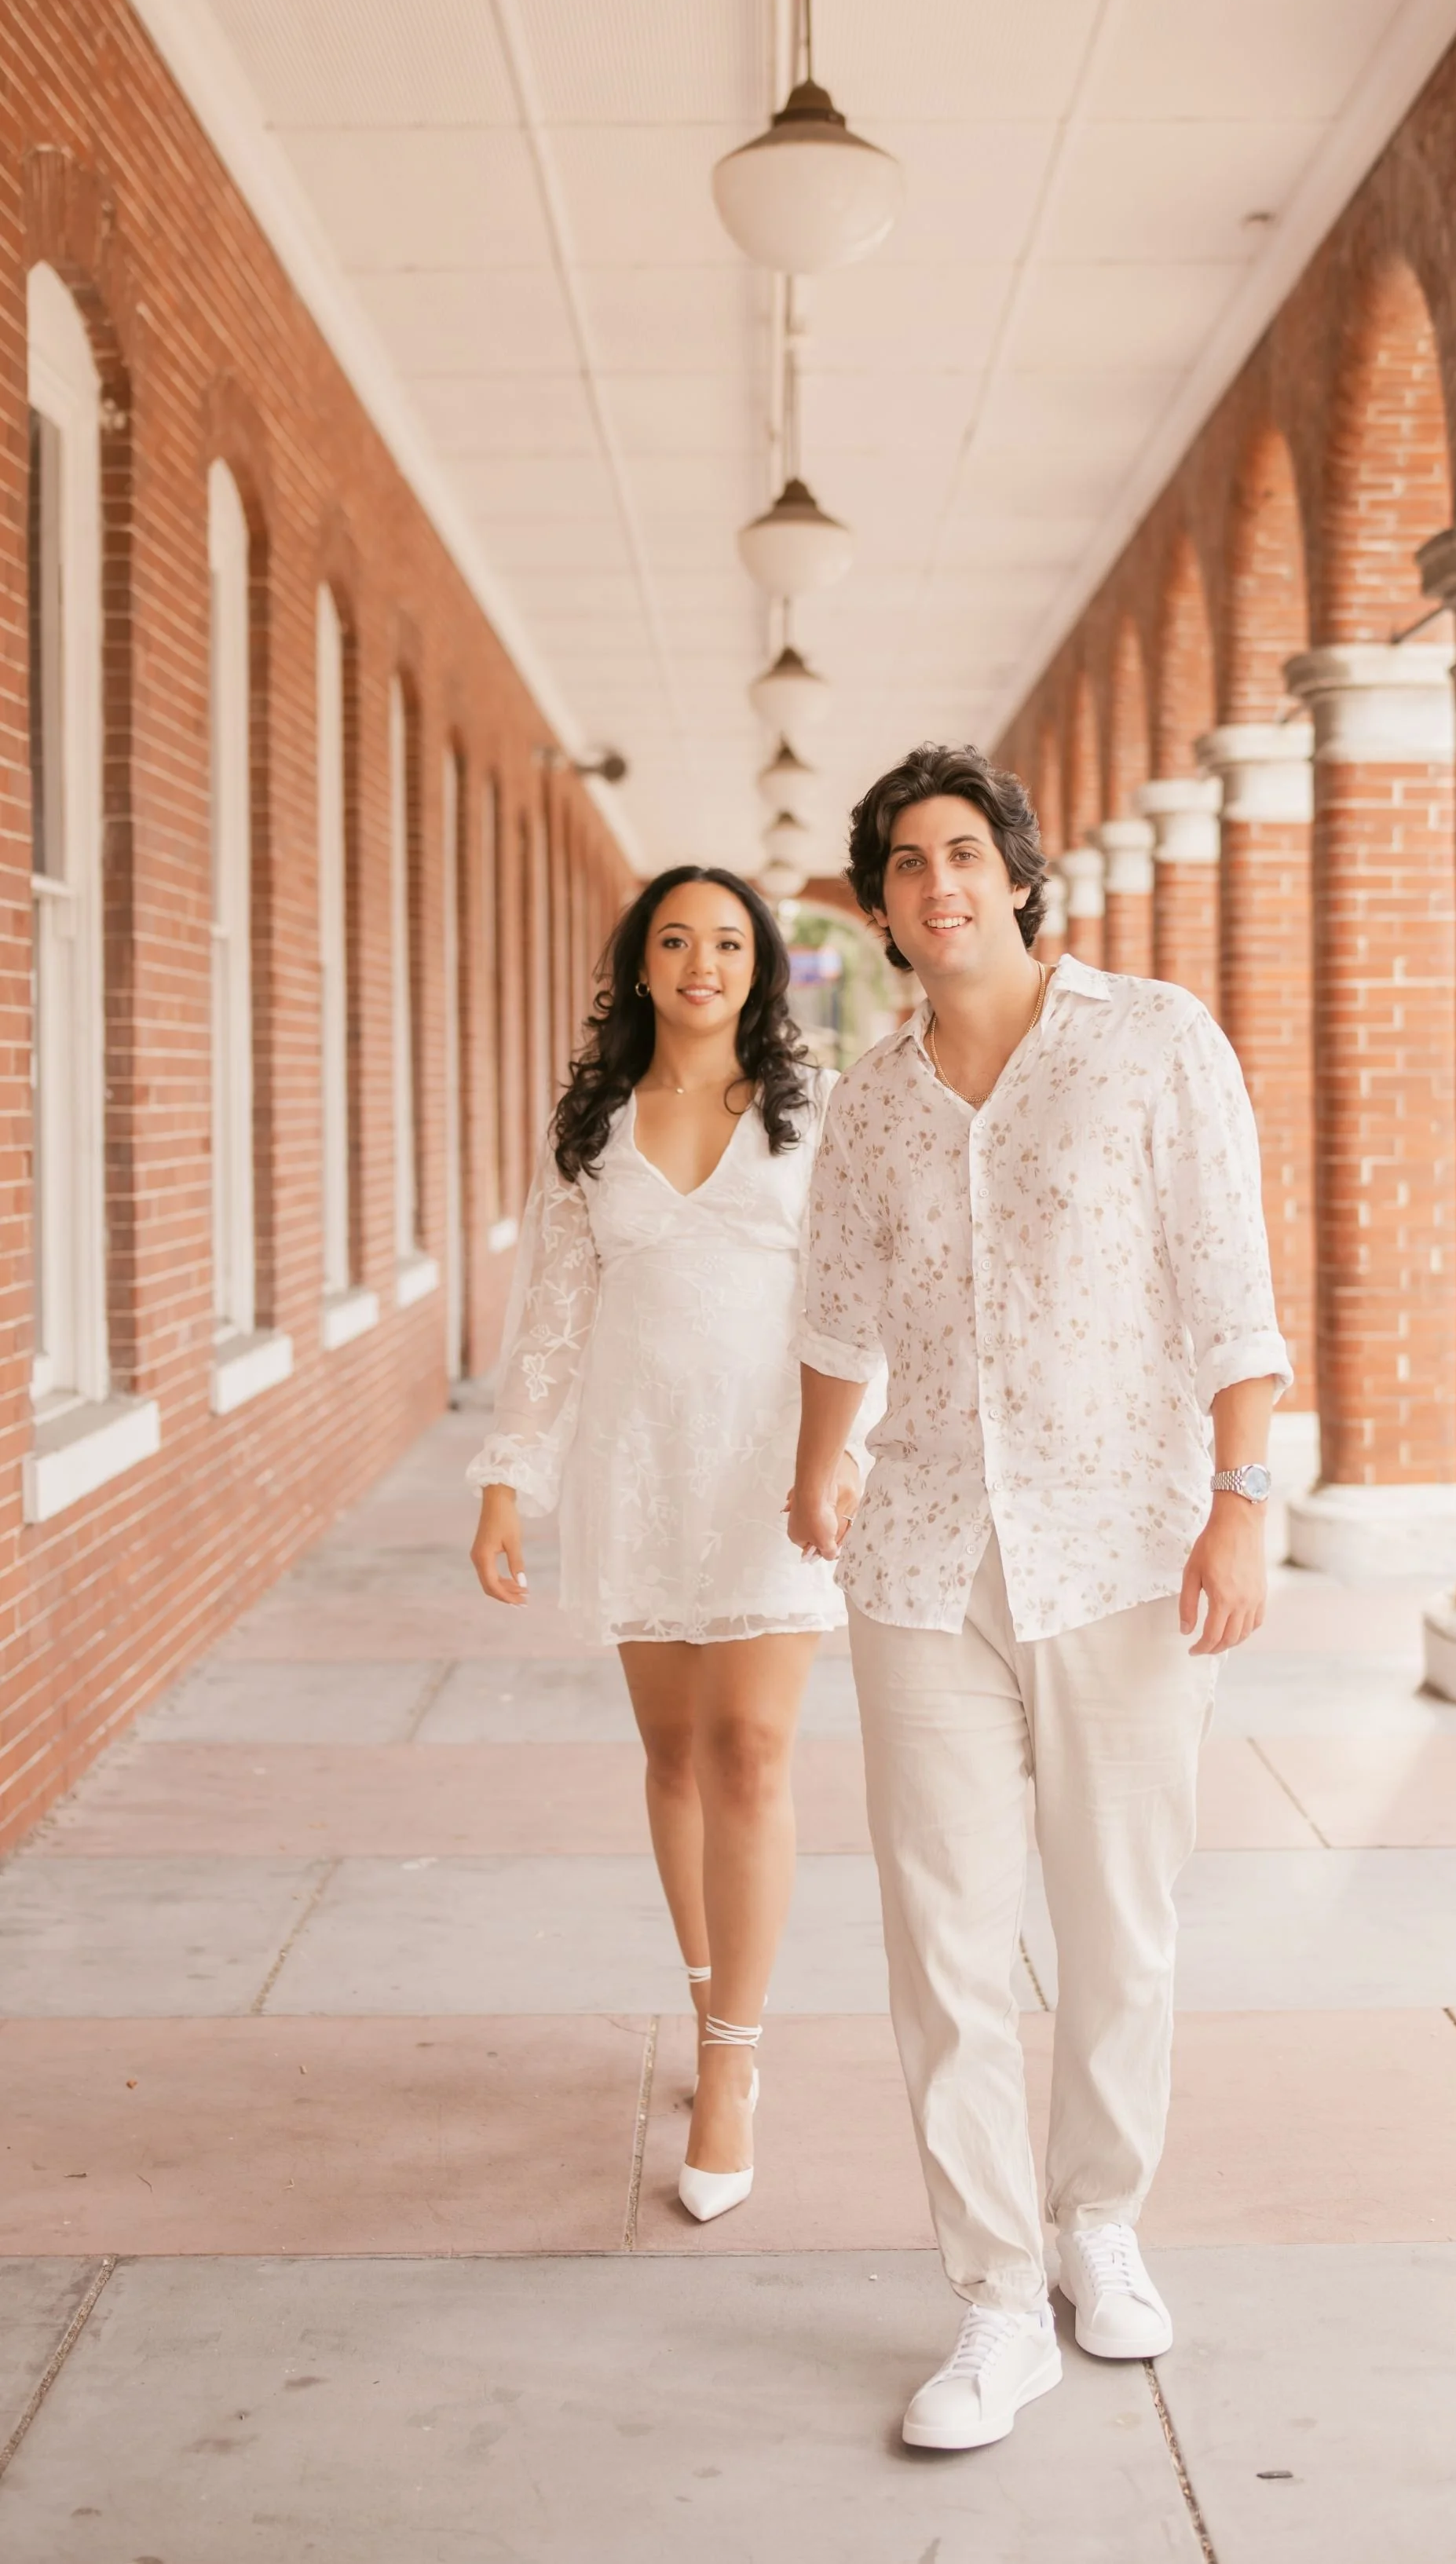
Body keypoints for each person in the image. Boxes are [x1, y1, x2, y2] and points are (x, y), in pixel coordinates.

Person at [787, 745, 1290, 2451]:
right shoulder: (868, 1099)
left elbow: (1229, 1288)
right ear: (877, 909)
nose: (939, 883)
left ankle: (1095, 2221)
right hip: (923, 1558)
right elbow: (837, 1311)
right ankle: (995, 2299)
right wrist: (813, 1463)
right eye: (904, 864)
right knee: (940, 1940)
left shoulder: (1150, 1043)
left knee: (1115, 1916)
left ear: (1015, 871)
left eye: (963, 852)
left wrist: (1240, 1504)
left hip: (1125, 1546)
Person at [469, 865, 867, 2224]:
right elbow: (553, 1320)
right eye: (678, 939)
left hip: (771, 1470)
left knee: (754, 1753)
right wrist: (510, 1477)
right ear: (640, 964)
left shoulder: (813, 1115)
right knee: (674, 1754)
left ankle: (733, 2063)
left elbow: (860, 1300)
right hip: (636, 1467)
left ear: (763, 967)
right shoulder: (592, 1124)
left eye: (732, 941)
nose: (704, 961)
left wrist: (843, 1459)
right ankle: (708, 1999)